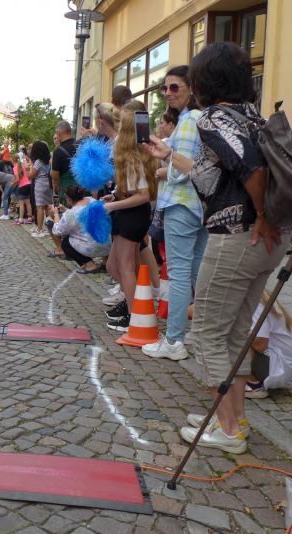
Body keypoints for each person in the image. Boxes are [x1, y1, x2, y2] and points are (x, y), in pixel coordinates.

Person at [148, 42, 286, 454]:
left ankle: (227, 429)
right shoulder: (252, 115)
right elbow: (222, 173)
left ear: (203, 81)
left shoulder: (212, 117)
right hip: (265, 240)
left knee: (207, 330)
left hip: (239, 235)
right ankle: (234, 419)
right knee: (235, 331)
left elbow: (251, 168)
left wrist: (261, 213)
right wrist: (171, 155)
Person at [141, 66, 206, 361]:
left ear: (192, 88)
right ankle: (196, 334)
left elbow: (185, 171)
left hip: (182, 203)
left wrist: (165, 162)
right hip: (199, 206)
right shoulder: (198, 118)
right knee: (196, 274)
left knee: (180, 274)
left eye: (175, 87)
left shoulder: (190, 119)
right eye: (165, 88)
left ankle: (174, 340)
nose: (168, 93)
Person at [104, 109, 158, 331]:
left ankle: (136, 315)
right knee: (116, 265)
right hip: (129, 213)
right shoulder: (134, 155)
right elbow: (135, 190)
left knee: (125, 268)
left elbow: (143, 195)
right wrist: (115, 196)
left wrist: (113, 205)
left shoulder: (132, 157)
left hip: (131, 216)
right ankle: (135, 305)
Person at [50, 185, 110, 273]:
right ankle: (106, 262)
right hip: (108, 245)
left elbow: (57, 230)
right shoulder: (92, 200)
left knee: (66, 244)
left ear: (69, 199)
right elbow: (80, 216)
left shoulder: (71, 213)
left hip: (93, 248)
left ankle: (90, 265)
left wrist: (56, 213)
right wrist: (65, 209)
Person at [28, 140, 53, 238]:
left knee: (40, 207)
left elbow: (31, 175)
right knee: (47, 207)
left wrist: (31, 166)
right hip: (48, 185)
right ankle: (49, 228)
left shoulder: (38, 162)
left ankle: (39, 229)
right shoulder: (48, 161)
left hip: (40, 185)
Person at [52, 120, 78, 206]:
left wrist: (56, 192)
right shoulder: (80, 145)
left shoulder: (58, 152)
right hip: (82, 191)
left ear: (58, 133)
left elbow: (55, 177)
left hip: (67, 194)